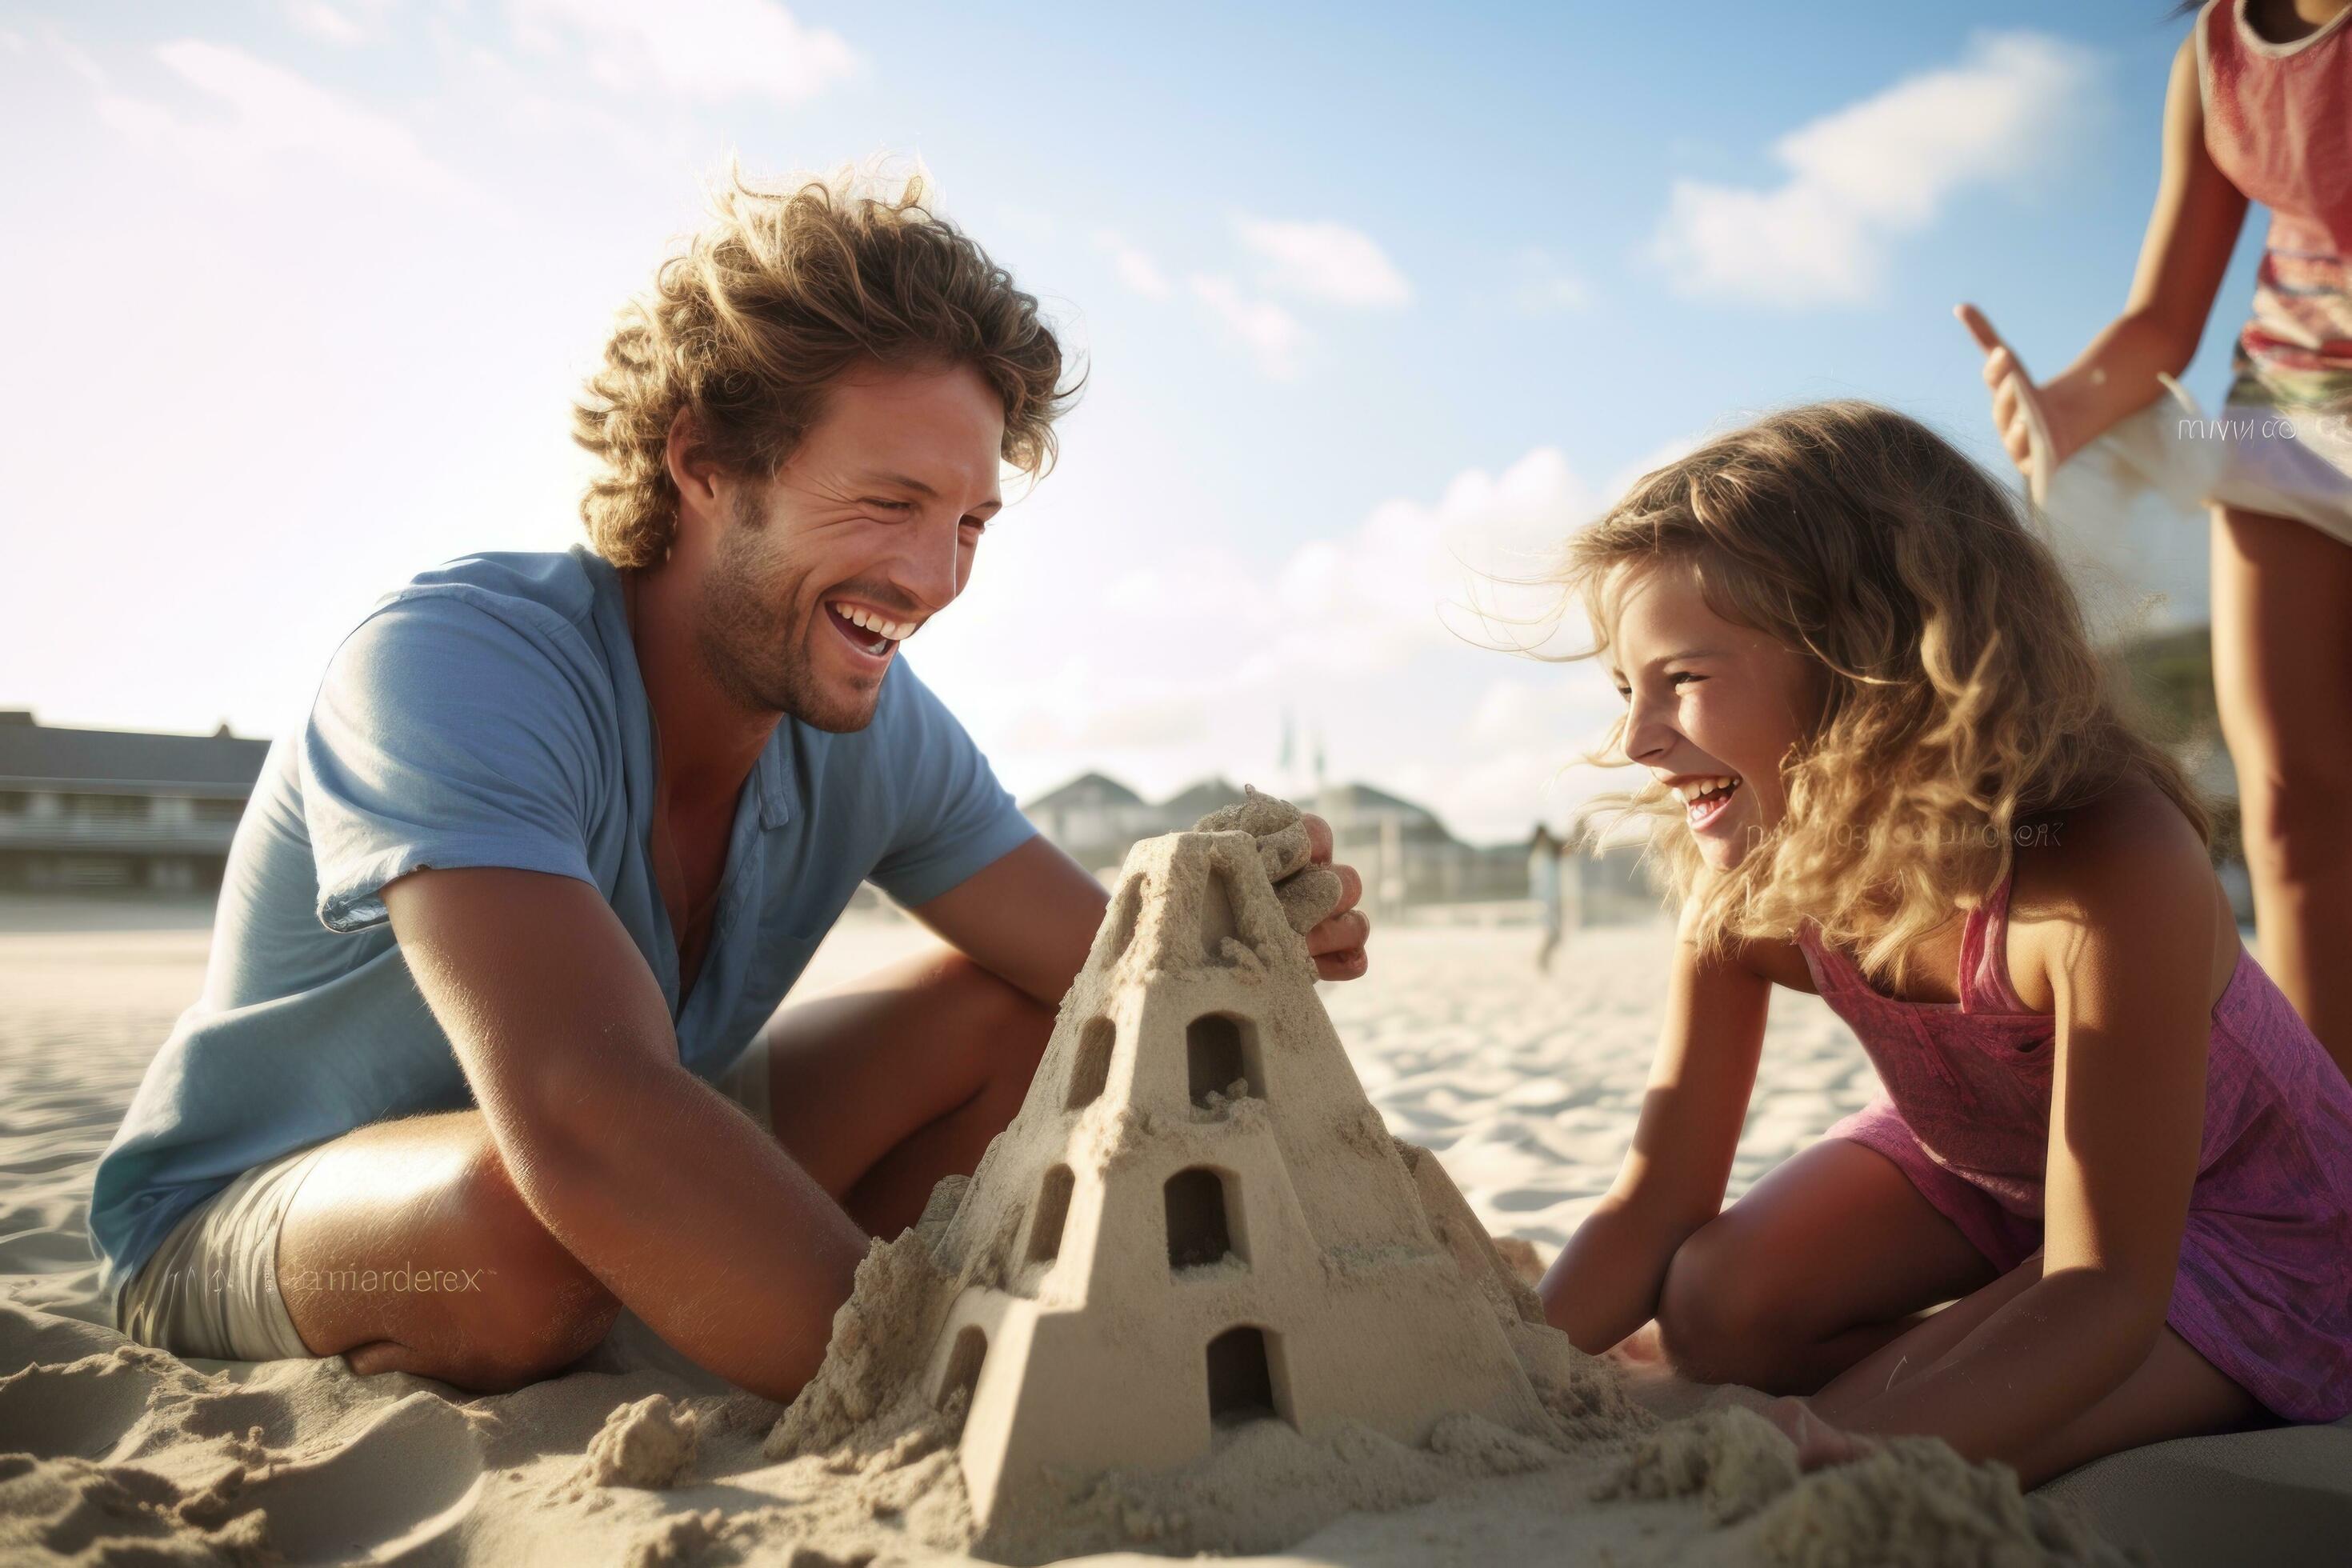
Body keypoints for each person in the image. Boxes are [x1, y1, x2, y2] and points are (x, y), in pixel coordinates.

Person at [86, 167, 1374, 1402]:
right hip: (261, 1210)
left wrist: (1242, 932)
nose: (933, 578)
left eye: (970, 522)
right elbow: (582, 1110)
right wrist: (938, 1396)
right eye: (889, 501)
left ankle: (741, 1302)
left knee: (1024, 1025)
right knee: (530, 1224)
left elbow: (1110, 974)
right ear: (703, 462)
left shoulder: (870, 720)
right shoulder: (455, 664)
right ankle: (849, 1341)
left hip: (616, 1169)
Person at [1533, 402, 2352, 1486]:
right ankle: (1986, 1328)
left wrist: (1853, 1436)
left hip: (2248, 1228)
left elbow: (2105, 1284)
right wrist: (1514, 1364)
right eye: (1625, 690)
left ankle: (2013, 1353)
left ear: (1866, 660)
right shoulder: (1748, 886)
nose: (1638, 739)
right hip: (1997, 1179)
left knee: (1870, 1433)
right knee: (1710, 1308)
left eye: (1681, 680)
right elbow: (1656, 1203)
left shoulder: (2106, 865)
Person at [1959, 0, 2352, 1074]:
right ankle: (2332, 1157)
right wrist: (2060, 405)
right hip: (2288, 425)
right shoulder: (2216, 55)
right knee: (2289, 808)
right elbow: (2163, 321)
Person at [1529, 823, 1565, 973]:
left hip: (1550, 900)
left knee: (1555, 935)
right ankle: (1542, 962)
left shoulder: (1547, 856)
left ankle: (1543, 962)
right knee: (1554, 935)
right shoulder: (1540, 857)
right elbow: (1541, 884)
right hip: (1546, 902)